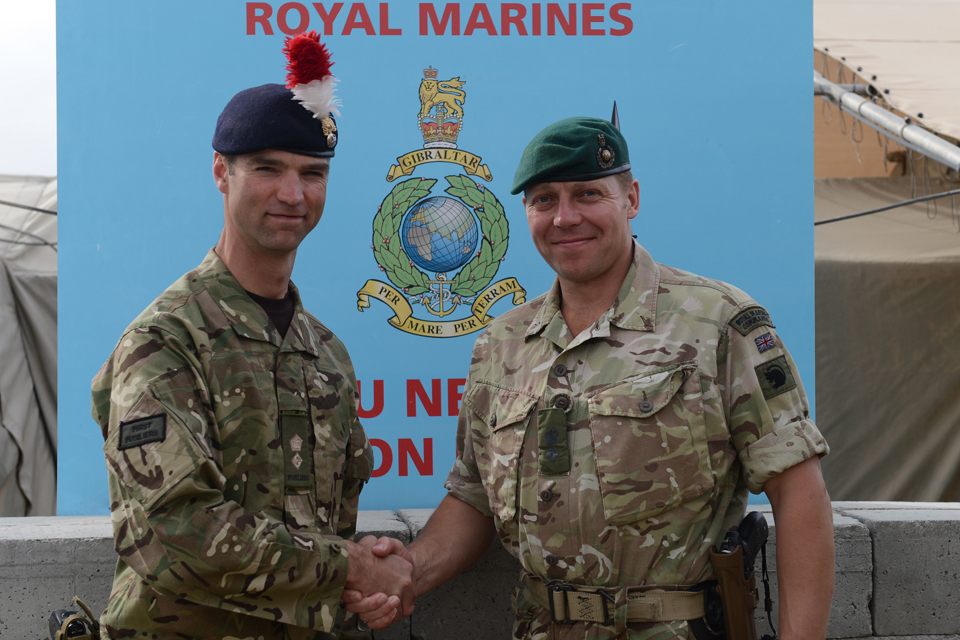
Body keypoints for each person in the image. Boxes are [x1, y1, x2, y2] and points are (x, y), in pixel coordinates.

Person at [346, 115, 835, 639]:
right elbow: (474, 498)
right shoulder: (502, 344)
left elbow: (798, 493)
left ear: (631, 199)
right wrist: (407, 573)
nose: (565, 217)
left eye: (587, 194)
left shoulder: (718, 324)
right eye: (544, 200)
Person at [91, 32, 413, 639]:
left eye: (312, 174)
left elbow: (326, 532)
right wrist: (348, 568)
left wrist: (355, 586)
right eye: (268, 169)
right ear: (222, 172)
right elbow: (179, 533)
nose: (293, 194)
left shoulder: (326, 355)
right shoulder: (166, 341)